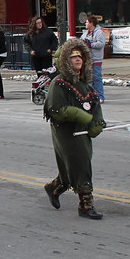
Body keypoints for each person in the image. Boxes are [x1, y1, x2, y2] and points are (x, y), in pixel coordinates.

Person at [42, 38, 106, 219]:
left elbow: (95, 105)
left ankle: (55, 187)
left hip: (82, 130)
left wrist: (97, 122)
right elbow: (56, 110)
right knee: (80, 162)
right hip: (66, 131)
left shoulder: (85, 85)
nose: (78, 59)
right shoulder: (59, 83)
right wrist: (83, 117)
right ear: (64, 60)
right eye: (73, 56)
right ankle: (85, 205)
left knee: (77, 163)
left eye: (80, 56)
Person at [80, 15, 106, 102]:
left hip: (96, 59)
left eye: (87, 22)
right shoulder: (86, 33)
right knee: (89, 78)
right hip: (87, 59)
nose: (85, 24)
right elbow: (81, 40)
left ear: (91, 23)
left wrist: (91, 44)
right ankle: (91, 95)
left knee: (96, 78)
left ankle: (100, 96)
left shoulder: (99, 32)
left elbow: (101, 44)